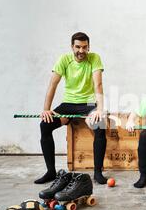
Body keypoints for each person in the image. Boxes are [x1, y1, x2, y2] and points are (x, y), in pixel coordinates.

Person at [36, 32, 107, 185]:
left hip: (88, 103)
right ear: (72, 47)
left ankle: (97, 172)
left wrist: (100, 109)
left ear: (88, 47)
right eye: (78, 47)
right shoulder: (64, 59)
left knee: (100, 125)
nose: (81, 51)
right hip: (68, 104)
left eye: (84, 47)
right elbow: (52, 84)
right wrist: (46, 109)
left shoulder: (94, 58)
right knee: (45, 125)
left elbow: (98, 85)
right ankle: (50, 172)